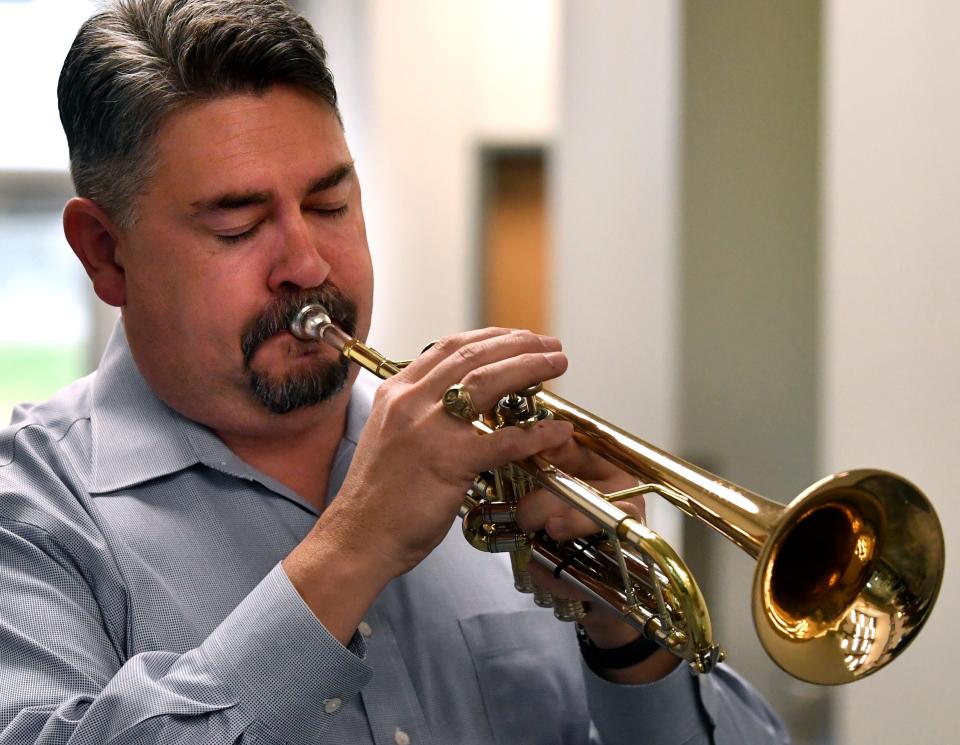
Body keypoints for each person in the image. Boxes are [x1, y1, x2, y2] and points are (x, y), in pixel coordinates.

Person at [0, 1, 789, 743]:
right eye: (239, 225)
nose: (306, 264)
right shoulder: (31, 514)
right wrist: (356, 545)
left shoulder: (485, 461)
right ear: (105, 252)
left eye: (330, 204)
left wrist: (628, 640)